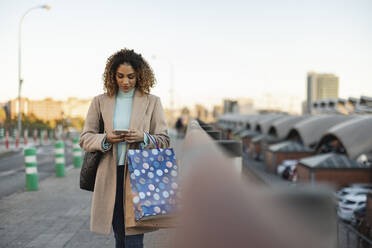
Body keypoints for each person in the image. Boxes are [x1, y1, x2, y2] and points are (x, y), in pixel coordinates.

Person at [79, 49, 170, 248]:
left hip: (141, 176)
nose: (125, 82)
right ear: (112, 75)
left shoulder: (152, 102)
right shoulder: (100, 102)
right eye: (120, 76)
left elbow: (164, 140)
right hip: (111, 176)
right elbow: (85, 138)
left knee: (134, 239)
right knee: (121, 235)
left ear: (139, 76)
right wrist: (106, 139)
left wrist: (143, 137)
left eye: (131, 76)